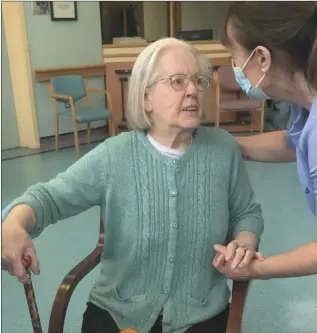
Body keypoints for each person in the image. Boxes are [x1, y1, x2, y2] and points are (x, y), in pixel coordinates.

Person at [1, 38, 264, 333]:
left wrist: (244, 242)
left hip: (201, 311)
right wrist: (14, 223)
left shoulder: (223, 148)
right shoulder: (115, 154)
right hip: (119, 311)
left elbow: (247, 212)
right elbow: (50, 198)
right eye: (177, 81)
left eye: (198, 80)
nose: (192, 90)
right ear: (145, 97)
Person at [212, 1, 317, 280]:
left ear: (262, 58)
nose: (235, 68)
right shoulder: (304, 107)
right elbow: (293, 144)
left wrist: (256, 270)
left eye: (235, 58)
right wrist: (227, 143)